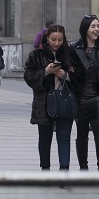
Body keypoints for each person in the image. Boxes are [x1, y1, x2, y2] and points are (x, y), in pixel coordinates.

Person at [24, 24, 77, 170]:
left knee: (64, 137)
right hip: (44, 102)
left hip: (65, 101)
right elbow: (28, 77)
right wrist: (45, 72)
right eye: (53, 39)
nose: (56, 43)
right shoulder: (36, 55)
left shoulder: (70, 53)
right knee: (45, 138)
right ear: (47, 38)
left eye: (60, 40)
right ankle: (45, 168)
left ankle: (64, 169)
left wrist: (65, 75)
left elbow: (80, 77)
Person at [73, 15, 99, 170]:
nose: (96, 29)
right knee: (81, 134)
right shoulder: (75, 49)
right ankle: (83, 168)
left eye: (98, 26)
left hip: (98, 96)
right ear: (85, 29)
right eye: (93, 26)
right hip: (80, 97)